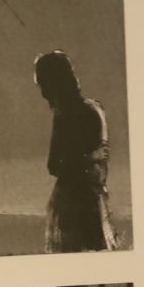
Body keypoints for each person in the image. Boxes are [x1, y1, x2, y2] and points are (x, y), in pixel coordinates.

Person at [38, 50, 116, 251]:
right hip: (95, 199)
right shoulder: (95, 110)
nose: (43, 93)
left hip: (69, 203)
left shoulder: (64, 116)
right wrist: (91, 158)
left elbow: (53, 165)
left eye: (43, 85)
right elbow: (102, 157)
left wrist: (79, 160)